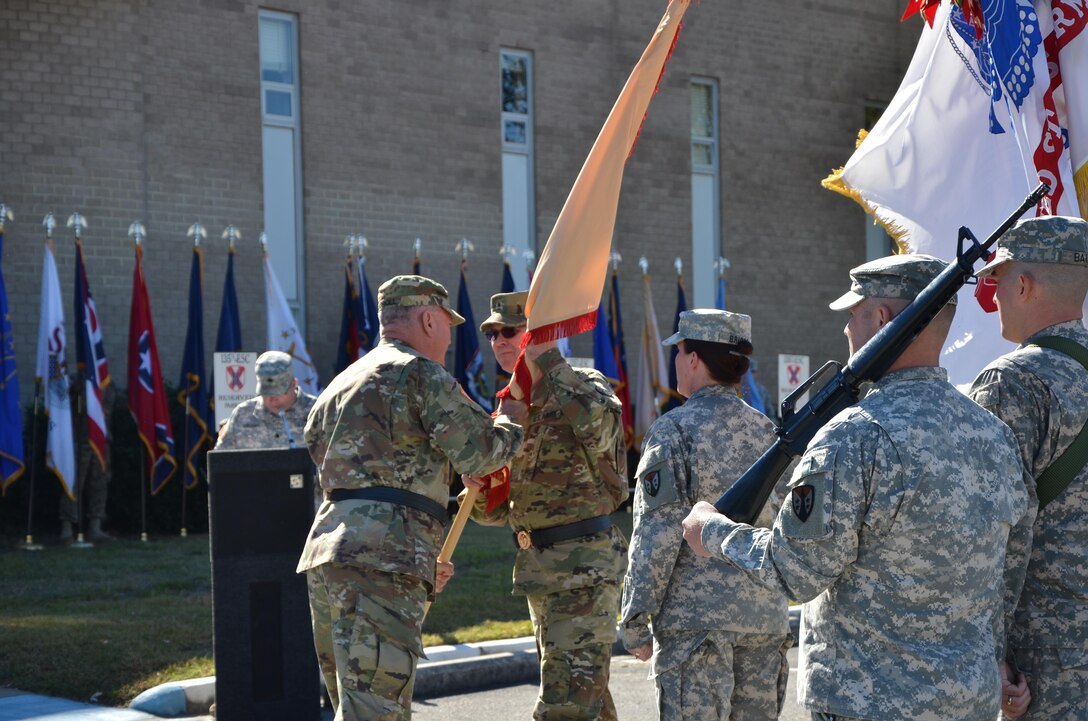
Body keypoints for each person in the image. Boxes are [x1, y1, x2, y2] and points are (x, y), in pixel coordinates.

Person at [681, 254, 1029, 721]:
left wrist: (713, 531)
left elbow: (795, 571)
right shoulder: (994, 434)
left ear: (881, 318)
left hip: (868, 702)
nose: (846, 329)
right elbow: (1012, 563)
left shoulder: (856, 434)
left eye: (852, 314)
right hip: (968, 702)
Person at [298, 275, 525, 721]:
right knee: (378, 709)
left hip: (329, 553)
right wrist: (513, 415)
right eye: (445, 322)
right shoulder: (420, 374)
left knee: (355, 704)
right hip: (385, 556)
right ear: (427, 319)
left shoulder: (339, 384)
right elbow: (482, 452)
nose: (448, 335)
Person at [463, 290, 628, 721]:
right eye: (492, 333)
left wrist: (550, 360)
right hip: (540, 570)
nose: (498, 340)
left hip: (583, 568)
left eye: (509, 331)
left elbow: (599, 431)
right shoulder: (509, 408)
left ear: (536, 334)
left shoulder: (585, 384)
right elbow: (497, 509)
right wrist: (475, 487)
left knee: (565, 702)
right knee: (587, 697)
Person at [620, 309, 791, 721]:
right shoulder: (771, 434)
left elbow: (657, 534)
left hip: (696, 630)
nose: (675, 360)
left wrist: (635, 617)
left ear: (694, 359)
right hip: (764, 623)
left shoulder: (673, 431)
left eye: (678, 351)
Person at [967, 215, 1088, 720]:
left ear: (1023, 284)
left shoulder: (1012, 381)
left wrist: (988, 652)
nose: (993, 297)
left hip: (1044, 658)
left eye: (996, 282)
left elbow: (988, 528)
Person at [216, 350, 316, 451]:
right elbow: (220, 459)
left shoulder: (317, 412)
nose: (272, 399)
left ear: (294, 383)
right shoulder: (242, 414)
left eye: (278, 392)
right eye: (267, 392)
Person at [59, 382, 115, 542]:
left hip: (102, 443)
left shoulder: (109, 385)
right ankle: (67, 526)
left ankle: (95, 526)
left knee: (99, 484)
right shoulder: (77, 383)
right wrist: (76, 393)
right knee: (73, 483)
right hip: (80, 441)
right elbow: (70, 407)